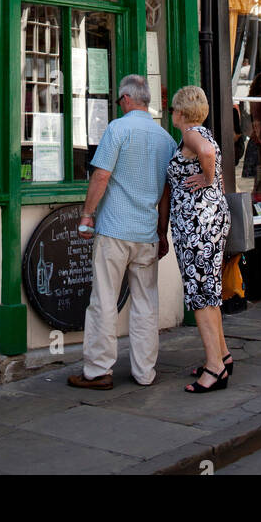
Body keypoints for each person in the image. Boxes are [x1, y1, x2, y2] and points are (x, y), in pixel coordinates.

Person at [68, 75, 176, 390]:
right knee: (146, 304)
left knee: (104, 300)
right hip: (146, 233)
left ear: (126, 99)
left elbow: (101, 175)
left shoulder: (118, 129)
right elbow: (166, 193)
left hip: (115, 230)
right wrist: (162, 231)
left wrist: (87, 215)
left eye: (119, 100)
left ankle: (99, 370)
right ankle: (145, 372)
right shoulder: (165, 138)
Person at [166, 85, 232, 393]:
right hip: (207, 222)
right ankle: (222, 355)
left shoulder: (193, 135)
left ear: (180, 112)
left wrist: (206, 179)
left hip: (198, 227)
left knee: (201, 295)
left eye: (172, 109)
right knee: (210, 290)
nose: (171, 114)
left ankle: (215, 369)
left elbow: (205, 154)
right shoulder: (203, 132)